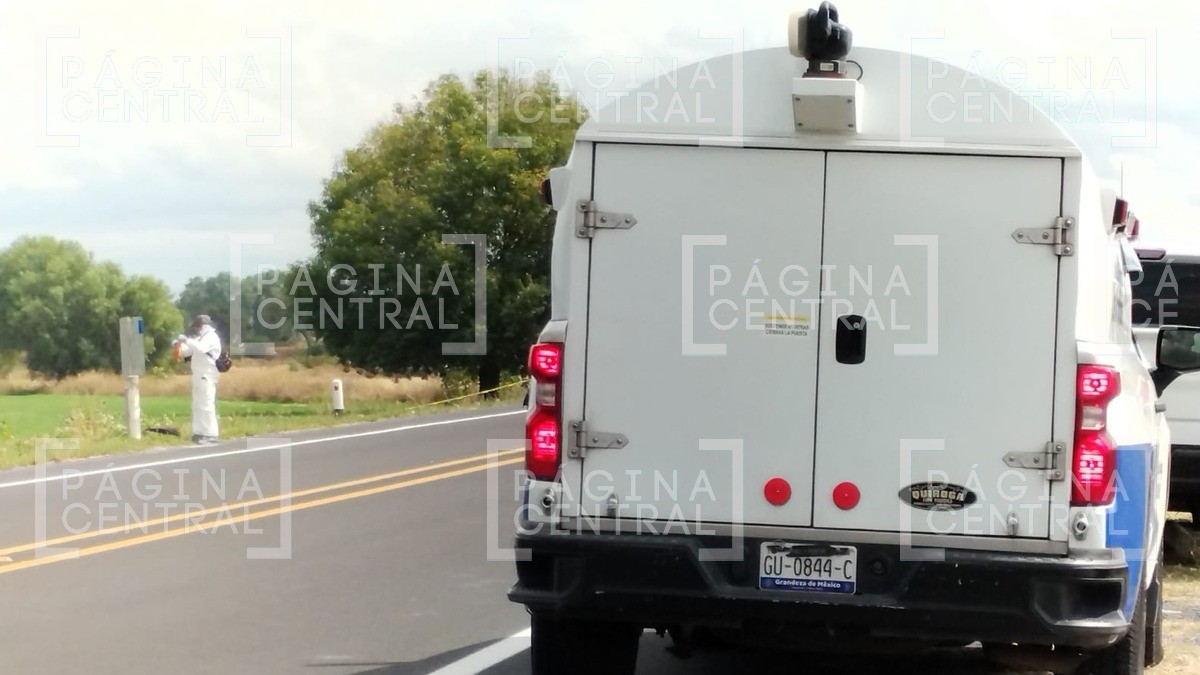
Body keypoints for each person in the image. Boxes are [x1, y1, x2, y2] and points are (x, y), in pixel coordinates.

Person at [174, 315, 223, 445]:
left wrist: (186, 340)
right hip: (198, 375)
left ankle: (211, 434)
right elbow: (186, 352)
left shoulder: (211, 337)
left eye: (197, 327)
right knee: (197, 405)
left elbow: (201, 348)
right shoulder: (200, 338)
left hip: (207, 375)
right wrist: (178, 345)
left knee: (207, 404)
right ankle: (199, 432)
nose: (196, 329)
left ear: (204, 326)